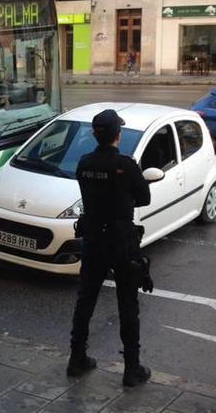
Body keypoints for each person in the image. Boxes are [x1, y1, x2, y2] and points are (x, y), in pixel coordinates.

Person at [68, 109, 153, 387]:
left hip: (93, 239)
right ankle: (131, 369)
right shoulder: (126, 166)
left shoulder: (84, 163)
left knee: (86, 300)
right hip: (121, 242)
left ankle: (76, 358)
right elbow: (144, 197)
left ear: (95, 134)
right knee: (127, 304)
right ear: (119, 134)